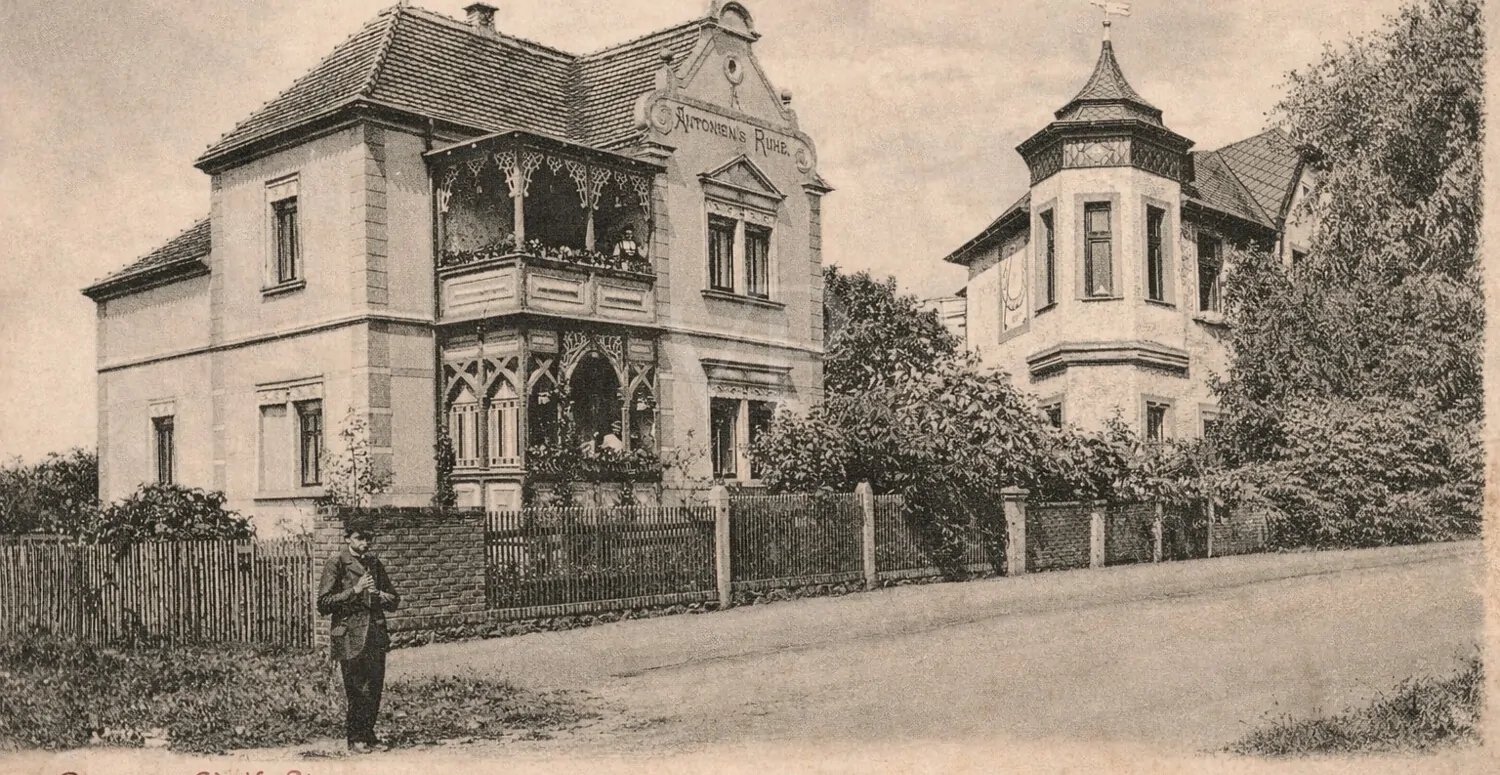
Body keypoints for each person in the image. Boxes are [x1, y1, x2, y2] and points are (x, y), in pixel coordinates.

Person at [317, 519, 400, 753]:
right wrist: (355, 590)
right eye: (359, 538)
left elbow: (394, 599)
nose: (365, 543)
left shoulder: (374, 563)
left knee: (374, 686)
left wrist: (379, 594)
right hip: (349, 634)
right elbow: (323, 604)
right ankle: (355, 739)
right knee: (356, 688)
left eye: (368, 538)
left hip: (375, 633)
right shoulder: (337, 563)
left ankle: (369, 734)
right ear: (347, 538)